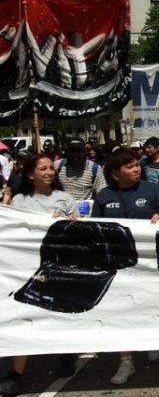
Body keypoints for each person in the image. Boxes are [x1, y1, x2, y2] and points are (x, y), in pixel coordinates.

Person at [0, 154, 79, 395]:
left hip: (58, 267)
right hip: (25, 268)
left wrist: (68, 221)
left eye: (51, 168)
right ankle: (16, 374)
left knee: (60, 314)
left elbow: (79, 232)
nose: (49, 172)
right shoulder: (20, 201)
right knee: (23, 317)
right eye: (43, 168)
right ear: (30, 174)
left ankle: (66, 352)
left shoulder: (65, 199)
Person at [92, 147, 159, 385]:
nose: (136, 168)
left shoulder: (153, 190)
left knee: (148, 304)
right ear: (116, 173)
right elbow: (95, 228)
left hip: (149, 263)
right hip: (116, 264)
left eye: (137, 164)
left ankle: (151, 340)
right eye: (129, 166)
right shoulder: (103, 196)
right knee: (120, 313)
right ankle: (126, 361)